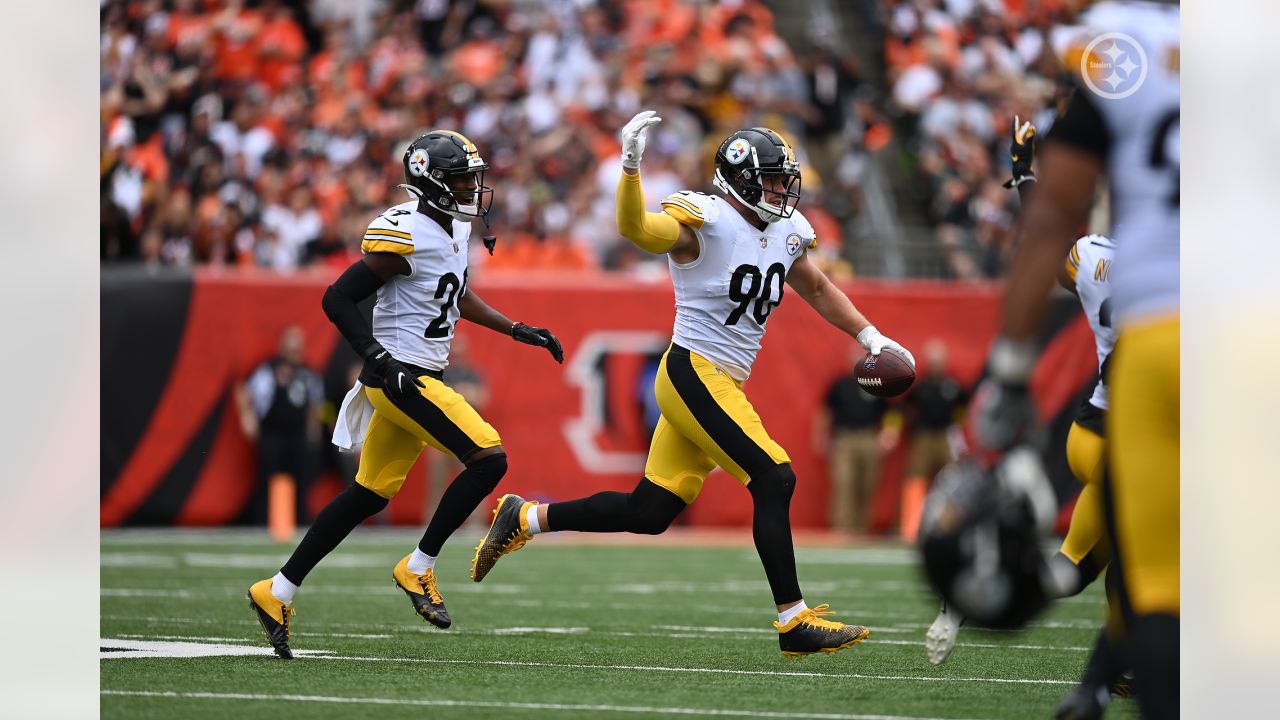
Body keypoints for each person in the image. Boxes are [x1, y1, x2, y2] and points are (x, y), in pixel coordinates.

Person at [468, 111, 915, 658]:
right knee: (774, 478)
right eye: (772, 179)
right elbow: (636, 229)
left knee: (650, 512)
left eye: (784, 178)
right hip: (693, 371)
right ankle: (794, 620)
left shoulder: (788, 232)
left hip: (723, 378)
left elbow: (820, 289)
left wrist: (872, 337)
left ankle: (526, 516)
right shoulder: (707, 221)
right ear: (741, 180)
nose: (782, 189)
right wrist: (630, 169)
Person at [247, 130, 564, 659]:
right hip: (402, 377)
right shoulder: (405, 232)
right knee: (488, 457)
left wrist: (515, 328)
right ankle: (418, 566)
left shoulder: (452, 230)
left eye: (472, 178)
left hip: (416, 376)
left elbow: (453, 294)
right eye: (463, 179)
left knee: (367, 495)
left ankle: (276, 590)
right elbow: (338, 297)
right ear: (433, 182)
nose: (472, 188)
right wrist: (375, 355)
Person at [971, 4, 1180, 716]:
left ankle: (1091, 687)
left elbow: (1054, 220)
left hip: (1142, 372)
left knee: (1148, 584)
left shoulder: (1129, 43)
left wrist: (1009, 370)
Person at [926, 121, 1126, 704]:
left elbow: (1042, 242)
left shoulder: (1093, 258)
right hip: (1128, 440)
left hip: (1090, 430)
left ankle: (970, 586)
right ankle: (1106, 678)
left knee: (1084, 566)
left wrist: (1024, 175)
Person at [234, 325, 323, 525]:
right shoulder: (268, 369)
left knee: (301, 481)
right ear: (282, 347)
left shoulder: (308, 372)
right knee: (268, 478)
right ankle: (263, 522)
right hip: (272, 432)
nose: (295, 353)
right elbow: (243, 391)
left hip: (298, 433)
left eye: (298, 348)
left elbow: (315, 404)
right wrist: (247, 418)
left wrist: (314, 430)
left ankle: (300, 523)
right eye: (291, 348)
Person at [814, 349, 893, 533]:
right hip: (845, 439)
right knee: (844, 483)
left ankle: (861, 529)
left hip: (869, 438)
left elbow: (892, 413)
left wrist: (890, 434)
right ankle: (842, 529)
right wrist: (821, 437)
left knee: (868, 484)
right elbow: (825, 412)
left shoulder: (875, 384)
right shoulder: (840, 385)